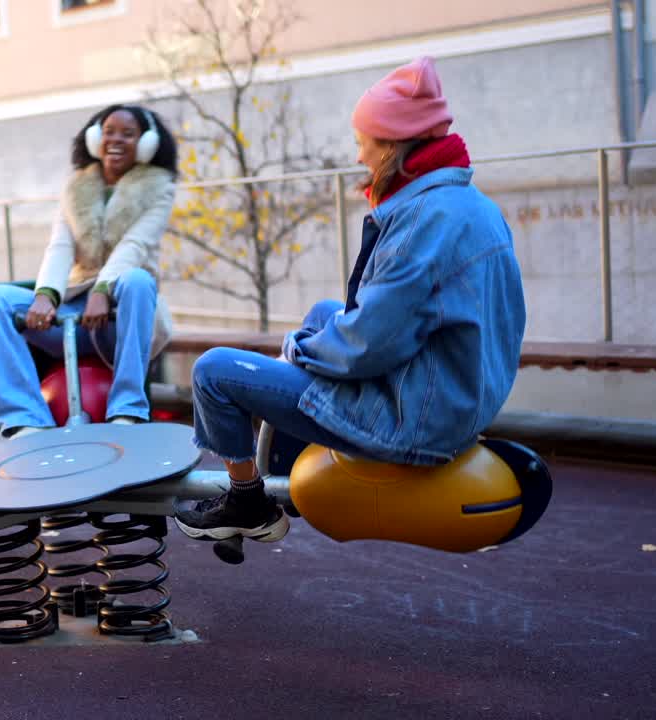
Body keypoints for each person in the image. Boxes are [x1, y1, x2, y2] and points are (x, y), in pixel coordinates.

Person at [174, 56, 527, 543]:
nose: (359, 156)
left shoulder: (423, 221)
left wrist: (298, 349)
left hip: (414, 420)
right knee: (323, 313)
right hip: (456, 392)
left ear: (392, 147)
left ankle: (246, 500)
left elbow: (367, 344)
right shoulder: (472, 205)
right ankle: (282, 454)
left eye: (364, 144)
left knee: (213, 372)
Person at [0, 104, 179, 437]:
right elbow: (59, 247)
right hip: (74, 318)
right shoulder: (76, 188)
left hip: (121, 318)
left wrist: (102, 290)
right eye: (109, 131)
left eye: (128, 134)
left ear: (145, 144)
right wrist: (46, 295)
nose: (116, 140)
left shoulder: (160, 189)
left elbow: (135, 246)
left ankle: (127, 411)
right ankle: (24, 418)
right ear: (93, 139)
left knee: (138, 279)